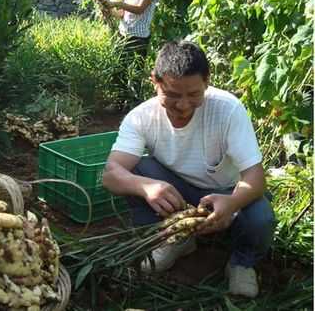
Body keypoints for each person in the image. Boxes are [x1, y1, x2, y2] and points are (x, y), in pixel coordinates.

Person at [102, 40, 276, 298]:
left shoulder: (228, 109)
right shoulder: (141, 117)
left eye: (194, 95)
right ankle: (174, 241)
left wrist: (231, 202)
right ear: (155, 81)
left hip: (225, 193)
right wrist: (145, 186)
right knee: (137, 169)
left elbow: (255, 177)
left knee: (261, 218)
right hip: (179, 192)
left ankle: (242, 262)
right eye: (172, 95)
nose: (183, 105)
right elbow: (111, 173)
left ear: (207, 81)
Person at [94, 0, 159, 106]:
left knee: (135, 72)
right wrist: (109, 10)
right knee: (119, 70)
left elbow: (140, 9)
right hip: (124, 34)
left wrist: (117, 3)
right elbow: (122, 14)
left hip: (139, 36)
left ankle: (134, 104)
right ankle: (119, 102)